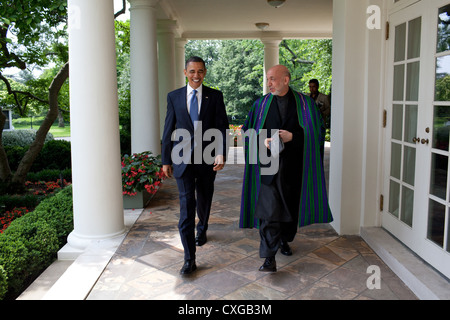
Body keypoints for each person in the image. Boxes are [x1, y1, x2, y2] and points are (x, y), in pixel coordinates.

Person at [240, 65, 333, 272]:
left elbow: (318, 134)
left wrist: (294, 136)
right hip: (268, 167)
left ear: (286, 80)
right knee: (268, 212)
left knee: (290, 210)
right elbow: (247, 132)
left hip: (294, 168)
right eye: (268, 79)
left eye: (272, 79)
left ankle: (284, 239)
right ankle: (268, 258)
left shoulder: (306, 104)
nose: (269, 83)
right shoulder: (260, 105)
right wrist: (260, 140)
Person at [161, 56, 229, 275]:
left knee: (205, 198)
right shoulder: (174, 97)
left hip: (208, 160)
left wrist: (220, 152)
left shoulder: (215, 96)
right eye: (192, 71)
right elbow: (169, 128)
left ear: (205, 72)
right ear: (185, 72)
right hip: (182, 161)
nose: (196, 75)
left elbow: (221, 127)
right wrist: (165, 160)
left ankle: (203, 228)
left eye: (200, 71)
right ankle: (189, 259)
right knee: (186, 207)